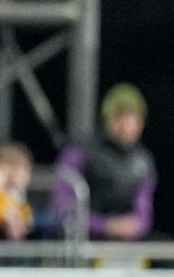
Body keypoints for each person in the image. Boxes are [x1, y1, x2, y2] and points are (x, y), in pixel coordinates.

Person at [52, 83, 158, 241]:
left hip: (126, 244)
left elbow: (143, 210)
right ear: (107, 119)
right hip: (83, 241)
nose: (126, 126)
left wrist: (134, 226)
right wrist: (104, 225)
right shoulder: (80, 151)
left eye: (131, 119)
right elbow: (62, 203)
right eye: (119, 118)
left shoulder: (144, 161)